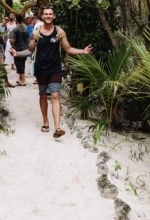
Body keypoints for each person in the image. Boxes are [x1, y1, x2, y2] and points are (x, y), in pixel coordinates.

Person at [11, 7, 92, 137]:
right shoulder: (36, 33)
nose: (48, 16)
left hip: (55, 68)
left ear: (54, 16)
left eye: (50, 14)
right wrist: (17, 53)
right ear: (42, 17)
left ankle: (57, 128)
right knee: (43, 96)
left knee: (55, 96)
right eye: (46, 14)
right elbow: (30, 51)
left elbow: (68, 49)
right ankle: (45, 121)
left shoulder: (60, 32)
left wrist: (83, 51)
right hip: (41, 68)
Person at [9, 15, 30, 86]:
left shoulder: (15, 30)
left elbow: (12, 40)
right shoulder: (25, 29)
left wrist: (10, 38)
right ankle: (20, 79)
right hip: (25, 48)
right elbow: (28, 40)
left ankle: (23, 80)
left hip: (17, 49)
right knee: (22, 63)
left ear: (16, 21)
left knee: (19, 64)